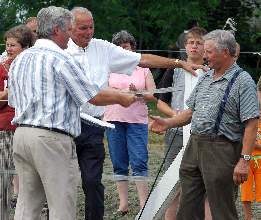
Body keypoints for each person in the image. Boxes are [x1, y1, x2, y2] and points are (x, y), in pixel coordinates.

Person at [66, 6, 207, 220]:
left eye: (91, 27)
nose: (88, 32)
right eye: (82, 28)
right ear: (69, 28)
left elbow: (142, 59)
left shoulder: (102, 47)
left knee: (93, 182)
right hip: (65, 125)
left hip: (94, 126)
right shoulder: (60, 51)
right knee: (62, 180)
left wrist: (177, 63)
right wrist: (119, 97)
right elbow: (89, 94)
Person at [8, 6, 137, 220]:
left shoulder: (20, 59)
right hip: (51, 139)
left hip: (21, 135)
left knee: (26, 206)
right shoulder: (60, 59)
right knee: (62, 205)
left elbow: (12, 100)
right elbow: (91, 96)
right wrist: (121, 97)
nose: (71, 34)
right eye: (69, 29)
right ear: (57, 30)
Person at [149, 30, 259, 219]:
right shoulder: (206, 76)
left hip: (222, 149)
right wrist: (167, 123)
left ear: (225, 52)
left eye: (209, 52)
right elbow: (190, 112)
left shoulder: (243, 81)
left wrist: (244, 160)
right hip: (194, 146)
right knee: (188, 208)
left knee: (222, 209)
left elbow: (251, 124)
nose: (204, 56)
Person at [156, 27, 213, 220]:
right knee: (172, 186)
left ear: (206, 47)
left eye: (199, 43)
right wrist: (175, 117)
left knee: (205, 187)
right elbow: (160, 102)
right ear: (185, 46)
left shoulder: (213, 71)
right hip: (176, 134)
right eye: (191, 43)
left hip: (204, 136)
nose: (195, 47)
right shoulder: (174, 70)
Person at [103, 30, 156, 215]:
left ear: (132, 49)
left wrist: (138, 93)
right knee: (118, 162)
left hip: (137, 121)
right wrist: (119, 92)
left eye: (125, 46)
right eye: (119, 47)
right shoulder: (108, 67)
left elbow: (152, 95)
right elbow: (102, 88)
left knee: (139, 161)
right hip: (113, 119)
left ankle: (144, 204)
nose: (122, 49)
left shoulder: (143, 69)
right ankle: (123, 204)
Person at [0, 24, 33, 219]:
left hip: (28, 129)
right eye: (7, 44)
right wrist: (9, 93)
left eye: (13, 45)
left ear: (25, 47)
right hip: (5, 129)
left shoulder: (32, 68)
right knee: (3, 180)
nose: (8, 49)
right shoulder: (1, 68)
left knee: (29, 181)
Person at [241, 82, 261, 220]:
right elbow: (247, 140)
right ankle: (248, 218)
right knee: (246, 193)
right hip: (247, 159)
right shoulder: (248, 123)